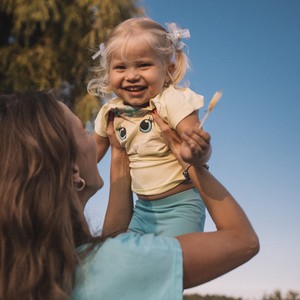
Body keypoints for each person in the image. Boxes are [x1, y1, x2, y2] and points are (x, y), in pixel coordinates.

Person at [0, 91, 259, 300]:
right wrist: (189, 164)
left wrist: (119, 151)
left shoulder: (27, 270)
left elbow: (114, 239)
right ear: (73, 170)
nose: (93, 138)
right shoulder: (116, 262)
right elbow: (243, 241)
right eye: (82, 131)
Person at [88, 17, 211, 237]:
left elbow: (195, 147)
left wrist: (198, 151)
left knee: (170, 262)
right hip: (143, 209)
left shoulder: (172, 100)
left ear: (168, 70)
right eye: (120, 67)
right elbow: (89, 155)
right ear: (109, 72)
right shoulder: (111, 112)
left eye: (143, 65)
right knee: (129, 258)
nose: (132, 76)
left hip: (180, 206)